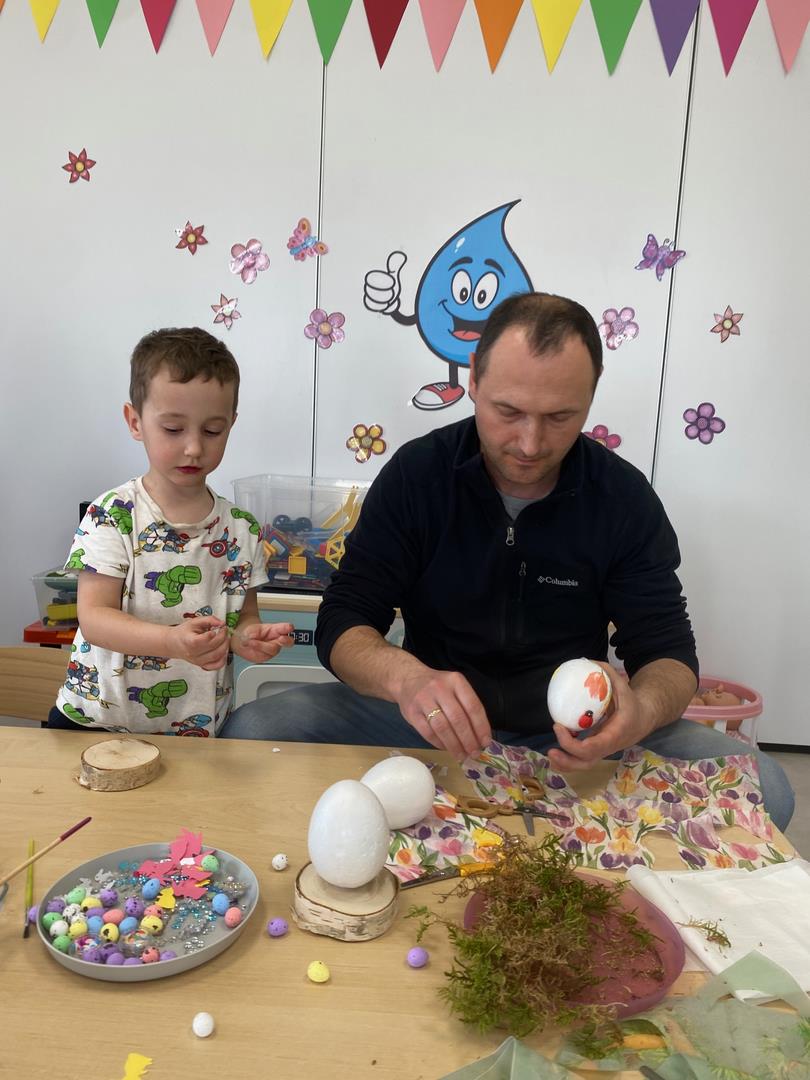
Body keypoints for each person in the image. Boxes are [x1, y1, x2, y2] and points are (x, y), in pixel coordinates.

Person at [227, 293, 793, 830]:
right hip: (429, 724)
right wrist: (407, 680)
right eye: (508, 411)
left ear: (592, 395)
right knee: (256, 727)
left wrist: (638, 713)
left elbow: (668, 653)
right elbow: (344, 620)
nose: (530, 443)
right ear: (473, 378)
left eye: (560, 417)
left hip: (572, 736)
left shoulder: (622, 499)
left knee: (767, 786)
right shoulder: (417, 476)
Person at [48, 327, 293, 737]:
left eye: (212, 431)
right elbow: (95, 619)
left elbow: (243, 616)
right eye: (174, 429)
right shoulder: (113, 514)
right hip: (97, 722)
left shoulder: (242, 530)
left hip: (193, 728)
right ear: (135, 421)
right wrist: (171, 642)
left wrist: (247, 637)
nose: (194, 447)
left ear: (231, 424)